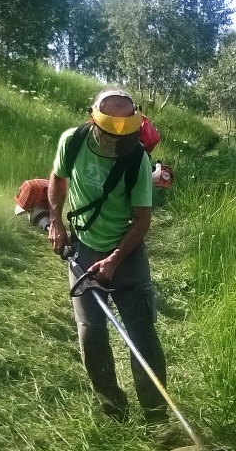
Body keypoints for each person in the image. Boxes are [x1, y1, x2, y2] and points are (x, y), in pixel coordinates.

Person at [47, 89, 168, 424]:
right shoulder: (73, 141)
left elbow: (142, 219)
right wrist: (55, 221)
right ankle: (113, 409)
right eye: (109, 127)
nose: (117, 136)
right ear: (93, 119)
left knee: (140, 332)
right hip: (84, 247)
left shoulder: (138, 160)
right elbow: (57, 178)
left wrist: (114, 259)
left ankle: (156, 417)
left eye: (125, 128)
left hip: (126, 250)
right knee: (91, 332)